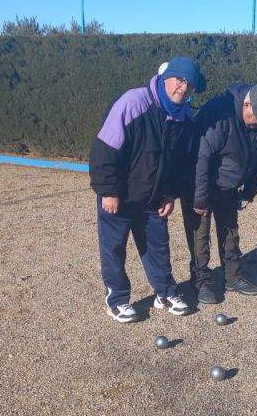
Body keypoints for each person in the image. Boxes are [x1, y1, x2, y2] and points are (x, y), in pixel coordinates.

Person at [88, 57, 206, 323]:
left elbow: (179, 164)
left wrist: (170, 194)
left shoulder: (185, 117)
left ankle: (165, 293)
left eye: (190, 84)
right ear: (165, 77)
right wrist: (108, 191)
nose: (183, 88)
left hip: (153, 197)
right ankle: (117, 300)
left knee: (158, 247)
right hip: (119, 195)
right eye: (179, 80)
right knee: (114, 249)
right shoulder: (133, 102)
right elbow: (105, 149)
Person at [181, 82, 257, 304]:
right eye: (256, 120)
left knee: (230, 231)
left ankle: (233, 277)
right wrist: (200, 199)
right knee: (200, 234)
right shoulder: (218, 114)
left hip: (228, 185)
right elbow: (201, 159)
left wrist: (249, 191)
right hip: (199, 181)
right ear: (247, 105)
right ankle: (201, 280)